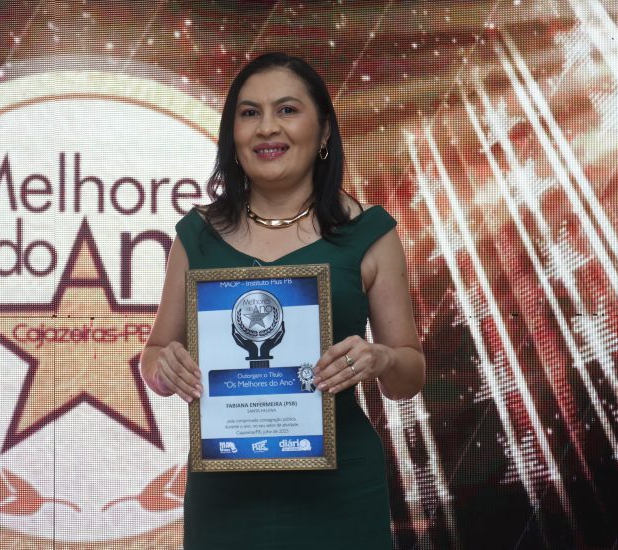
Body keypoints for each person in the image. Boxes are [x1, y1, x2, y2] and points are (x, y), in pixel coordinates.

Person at [140, 52, 425, 549]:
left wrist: (380, 359)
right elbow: (154, 354)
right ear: (232, 135)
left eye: (287, 110)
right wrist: (165, 368)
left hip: (342, 492)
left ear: (324, 130)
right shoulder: (196, 237)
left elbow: (409, 376)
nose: (267, 127)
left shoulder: (369, 233)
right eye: (249, 113)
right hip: (224, 497)